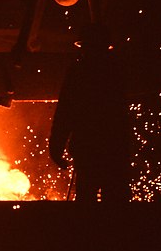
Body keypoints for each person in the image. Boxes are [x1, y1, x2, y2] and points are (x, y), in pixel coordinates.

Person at [49, 23, 131, 202]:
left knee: (86, 203)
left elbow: (65, 113)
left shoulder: (78, 73)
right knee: (118, 204)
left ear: (84, 47)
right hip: (115, 150)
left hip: (88, 150)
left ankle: (88, 229)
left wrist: (56, 147)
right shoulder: (117, 71)